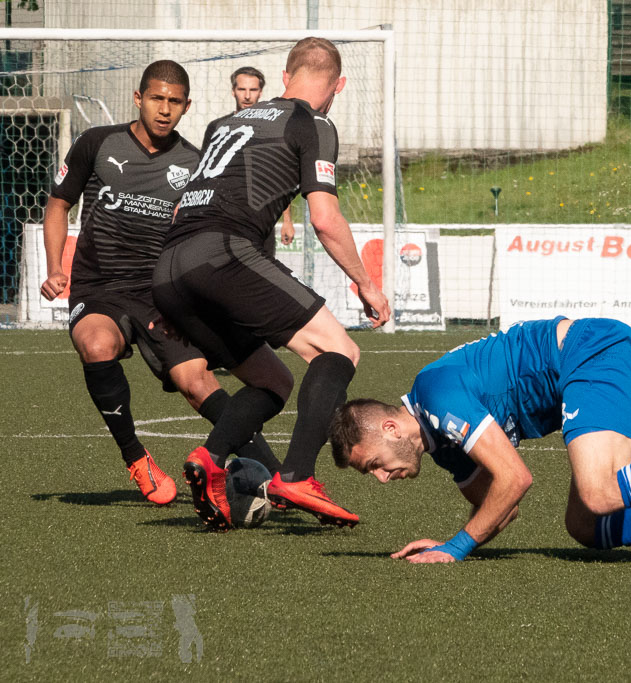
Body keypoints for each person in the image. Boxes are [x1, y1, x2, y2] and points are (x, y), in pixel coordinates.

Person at [153, 38, 391, 530]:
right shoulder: (315, 123)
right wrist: (367, 284)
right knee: (340, 351)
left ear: (283, 78)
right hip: (222, 253)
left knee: (272, 381)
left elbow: (181, 208)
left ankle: (211, 458)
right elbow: (324, 218)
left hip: (170, 266)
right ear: (338, 86)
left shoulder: (225, 123)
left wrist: (175, 298)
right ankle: (297, 475)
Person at [330, 317, 631, 563]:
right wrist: (450, 540)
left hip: (594, 352)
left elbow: (516, 478)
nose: (382, 479)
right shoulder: (442, 445)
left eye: (374, 465)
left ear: (391, 429)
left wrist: (457, 548)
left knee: (600, 490)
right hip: (592, 368)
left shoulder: (435, 393)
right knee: (586, 526)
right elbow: (501, 508)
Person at [39, 60, 280, 506]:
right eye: (156, 98)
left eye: (174, 102)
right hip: (99, 287)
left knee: (197, 382)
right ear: (138, 98)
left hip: (160, 293)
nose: (164, 109)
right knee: (96, 345)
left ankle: (279, 479)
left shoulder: (194, 163)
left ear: (187, 106)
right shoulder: (98, 142)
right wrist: (56, 267)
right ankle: (136, 458)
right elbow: (58, 205)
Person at [204, 66, 295, 257]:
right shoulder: (218, 128)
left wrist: (287, 220)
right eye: (242, 89)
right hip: (223, 217)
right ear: (233, 91)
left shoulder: (273, 130)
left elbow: (278, 176)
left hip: (260, 219)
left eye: (252, 90)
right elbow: (204, 175)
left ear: (260, 92)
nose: (247, 96)